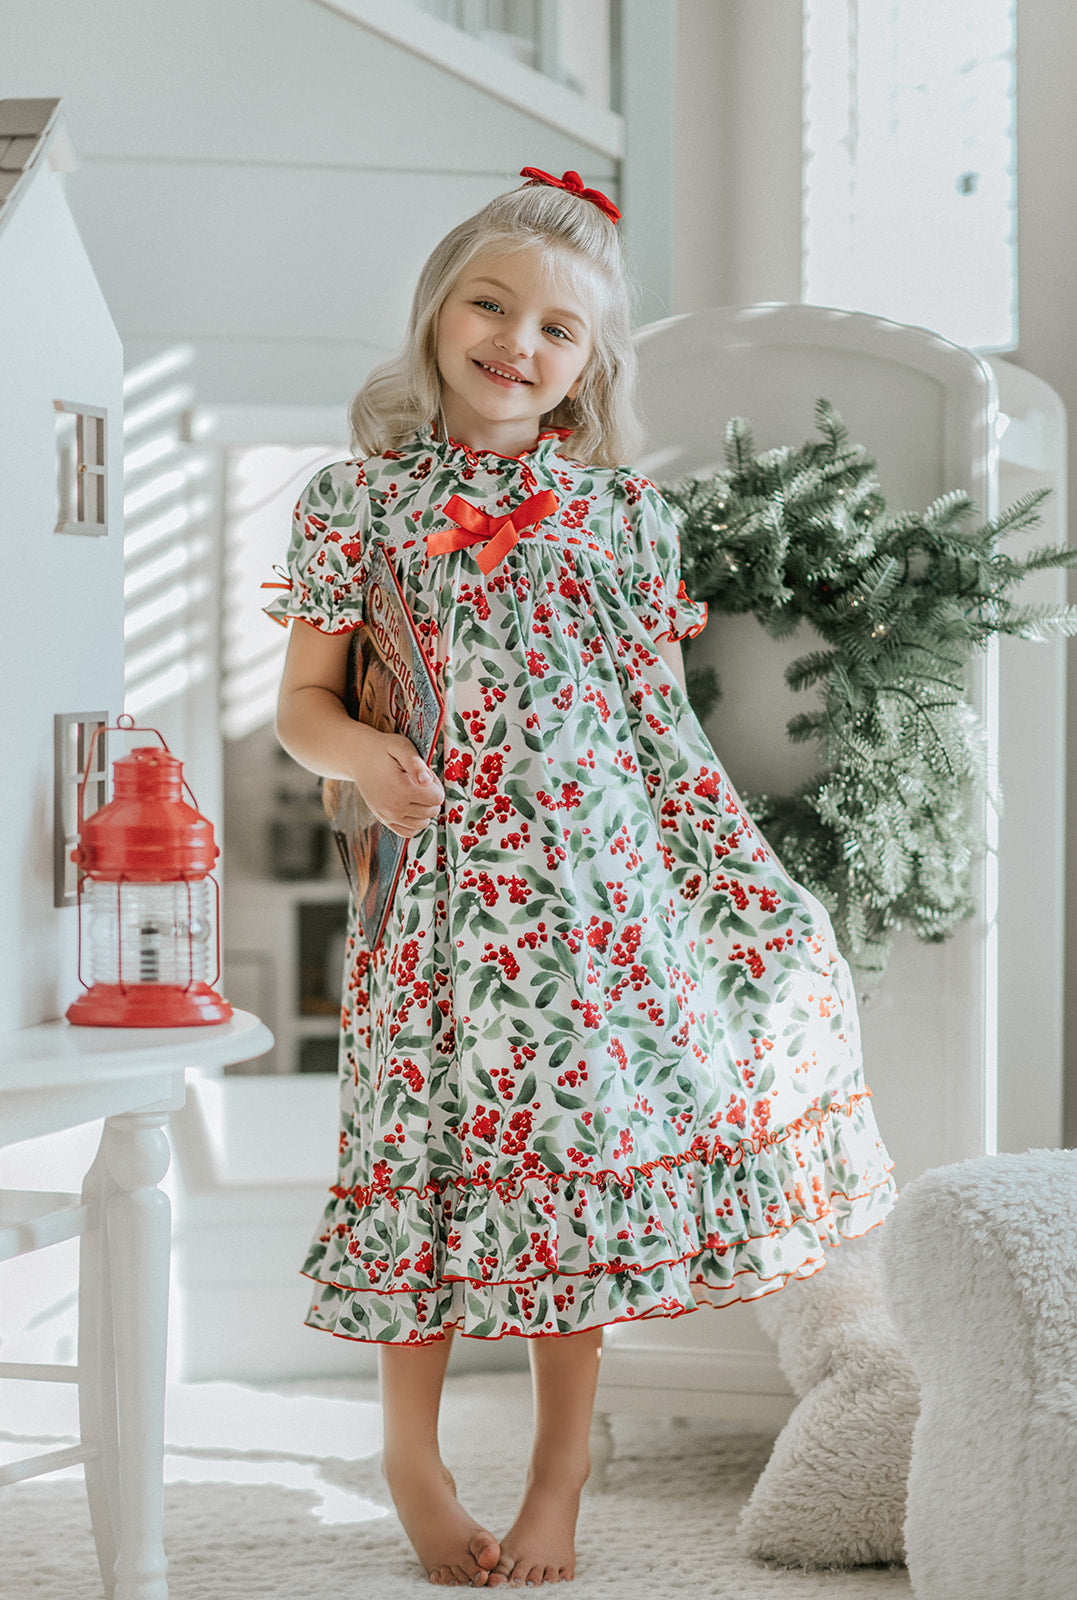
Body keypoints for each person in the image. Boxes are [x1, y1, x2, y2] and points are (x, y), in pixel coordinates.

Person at [266, 168, 896, 1588]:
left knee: (580, 1183)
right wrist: (364, 754)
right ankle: (411, 1462)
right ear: (438, 314)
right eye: (491, 304)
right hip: (429, 907)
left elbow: (652, 727)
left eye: (557, 328)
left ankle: (559, 1484)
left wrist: (736, 883)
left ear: (587, 365)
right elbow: (301, 703)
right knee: (419, 1162)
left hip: (593, 917)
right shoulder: (353, 502)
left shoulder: (620, 516)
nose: (517, 341)